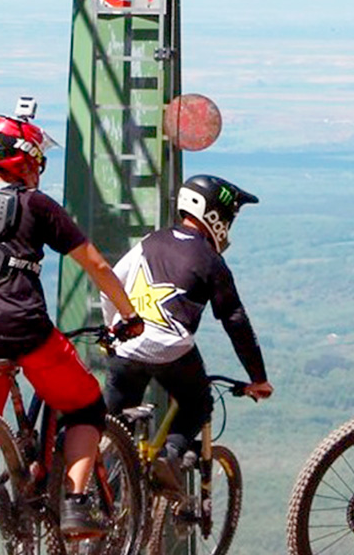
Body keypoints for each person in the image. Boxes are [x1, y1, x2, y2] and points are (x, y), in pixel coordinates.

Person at [0, 103, 144, 555]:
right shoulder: (36, 205)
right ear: (24, 158)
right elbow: (93, 262)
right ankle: (73, 502)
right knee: (86, 404)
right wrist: (128, 313)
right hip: (27, 332)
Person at [101, 174, 274, 476]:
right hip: (172, 350)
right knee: (197, 403)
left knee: (113, 430)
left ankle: (106, 505)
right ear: (214, 215)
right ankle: (170, 455)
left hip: (126, 346)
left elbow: (109, 287)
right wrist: (257, 378)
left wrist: (114, 333)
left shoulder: (149, 242)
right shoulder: (210, 260)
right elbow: (235, 321)